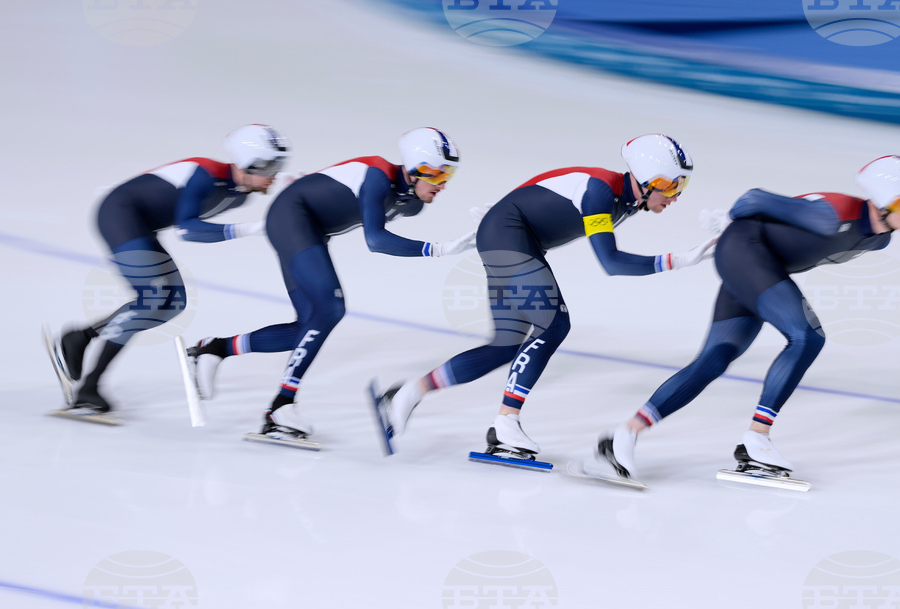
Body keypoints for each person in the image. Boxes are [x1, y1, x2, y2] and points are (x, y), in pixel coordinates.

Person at [373, 134, 718, 462]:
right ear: (646, 179)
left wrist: (516, 202)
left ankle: (406, 394)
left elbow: (551, 182)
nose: (675, 196)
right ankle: (506, 422)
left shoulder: (623, 200)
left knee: (505, 346)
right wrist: (678, 260)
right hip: (508, 235)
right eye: (672, 185)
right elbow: (611, 262)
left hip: (510, 236)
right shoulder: (601, 191)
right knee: (554, 323)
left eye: (681, 187)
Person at [594, 154, 900, 482]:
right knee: (807, 335)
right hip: (745, 252)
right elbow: (754, 198)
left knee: (714, 359)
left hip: (758, 265)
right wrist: (730, 221)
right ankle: (756, 438)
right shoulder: (833, 214)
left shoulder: (879, 240)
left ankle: (624, 436)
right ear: (886, 201)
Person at [187, 127, 477, 443]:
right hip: (291, 217)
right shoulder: (378, 175)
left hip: (309, 229)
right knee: (330, 309)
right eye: (438, 173)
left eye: (450, 173)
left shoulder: (412, 203)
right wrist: (439, 249)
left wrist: (315, 183)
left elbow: (341, 191)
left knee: (306, 329)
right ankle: (280, 407)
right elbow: (376, 239)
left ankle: (214, 348)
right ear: (416, 167)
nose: (444, 183)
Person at [49, 124, 289, 415]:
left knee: (172, 304)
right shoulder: (206, 173)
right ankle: (90, 387)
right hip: (119, 214)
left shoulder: (241, 193)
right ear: (250, 163)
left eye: (279, 166)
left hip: (142, 227)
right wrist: (251, 229)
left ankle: (82, 336)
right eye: (271, 167)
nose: (274, 175)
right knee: (151, 300)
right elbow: (187, 229)